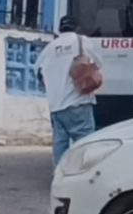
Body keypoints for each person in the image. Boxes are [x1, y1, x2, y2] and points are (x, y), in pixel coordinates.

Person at [36, 16, 100, 166]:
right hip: (78, 102)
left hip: (56, 105)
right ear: (77, 28)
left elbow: (38, 71)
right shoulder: (82, 41)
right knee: (85, 142)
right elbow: (98, 63)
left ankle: (60, 176)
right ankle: (83, 176)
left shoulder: (50, 47)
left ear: (60, 29)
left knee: (60, 143)